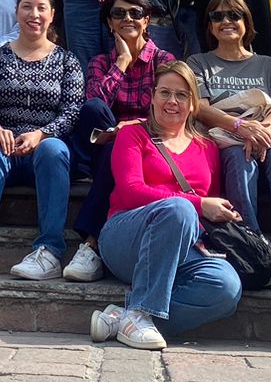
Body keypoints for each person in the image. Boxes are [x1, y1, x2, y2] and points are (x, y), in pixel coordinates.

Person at [88, 59, 243, 351]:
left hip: (185, 245)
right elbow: (131, 191)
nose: (172, 101)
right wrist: (196, 204)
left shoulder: (207, 147)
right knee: (180, 209)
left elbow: (207, 208)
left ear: (193, 104)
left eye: (182, 95)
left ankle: (126, 316)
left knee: (226, 288)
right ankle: (140, 313)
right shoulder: (132, 134)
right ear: (152, 96)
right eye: (165, 93)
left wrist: (210, 212)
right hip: (127, 235)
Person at [0, 0, 83, 281]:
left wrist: (41, 134)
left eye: (42, 8)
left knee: (55, 150)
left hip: (44, 151)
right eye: (27, 6)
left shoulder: (68, 61)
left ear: (52, 15)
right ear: (16, 12)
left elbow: (71, 112)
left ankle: (50, 250)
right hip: (4, 145)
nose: (34, 14)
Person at [188, 0, 271, 287]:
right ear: (210, 26)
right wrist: (241, 127)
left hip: (267, 137)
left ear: (246, 22)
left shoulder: (267, 64)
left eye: (234, 15)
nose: (226, 21)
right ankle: (253, 245)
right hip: (227, 138)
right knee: (240, 156)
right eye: (217, 16)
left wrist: (260, 131)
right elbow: (200, 107)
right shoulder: (199, 62)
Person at [62, 0, 175, 283]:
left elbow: (168, 113)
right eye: (118, 13)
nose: (128, 18)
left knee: (119, 147)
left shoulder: (164, 61)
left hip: (150, 146)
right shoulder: (100, 63)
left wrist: (131, 129)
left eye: (135, 13)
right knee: (96, 109)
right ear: (109, 22)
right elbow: (92, 105)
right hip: (103, 146)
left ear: (147, 20)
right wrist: (122, 63)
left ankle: (91, 243)